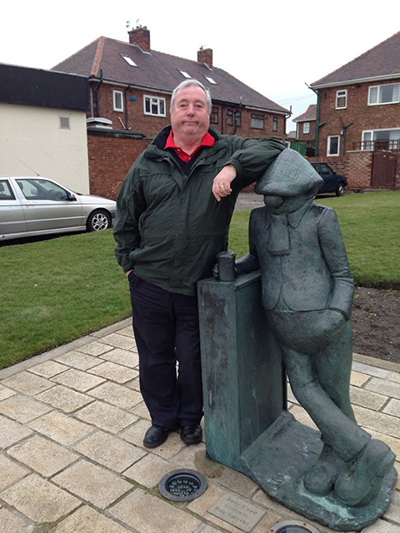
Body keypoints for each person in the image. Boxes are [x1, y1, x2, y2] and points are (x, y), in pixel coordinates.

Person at [113, 79, 285, 449]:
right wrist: (129, 265)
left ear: (208, 113)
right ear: (173, 113)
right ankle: (162, 418)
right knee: (155, 358)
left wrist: (233, 168)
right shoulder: (148, 160)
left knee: (194, 359)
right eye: (183, 105)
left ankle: (191, 419)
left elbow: (275, 145)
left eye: (199, 105)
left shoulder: (226, 150)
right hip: (150, 282)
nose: (191, 111)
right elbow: (126, 217)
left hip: (198, 284)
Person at [234, 148, 395, 507]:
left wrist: (336, 315)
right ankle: (356, 452)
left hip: (324, 323)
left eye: (284, 197)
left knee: (334, 395)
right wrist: (233, 266)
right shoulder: (259, 220)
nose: (275, 203)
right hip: (283, 323)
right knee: (305, 390)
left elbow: (342, 275)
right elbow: (256, 259)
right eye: (270, 197)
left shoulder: (322, 219)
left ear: (306, 192)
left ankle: (349, 455)